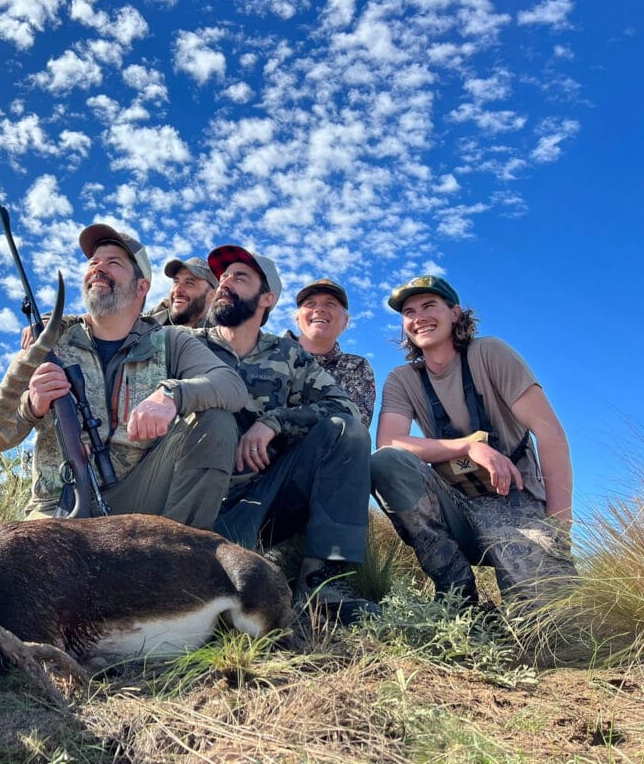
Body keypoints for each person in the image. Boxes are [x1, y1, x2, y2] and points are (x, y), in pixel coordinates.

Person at [0, 223, 247, 529]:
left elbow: (231, 386)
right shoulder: (47, 342)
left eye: (113, 263)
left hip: (137, 496)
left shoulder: (172, 341)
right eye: (93, 263)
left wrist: (171, 395)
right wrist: (30, 406)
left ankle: (179, 559)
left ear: (142, 287)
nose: (98, 269)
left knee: (217, 423)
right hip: (59, 505)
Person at [192, 245, 380, 624]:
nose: (226, 281)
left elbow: (345, 409)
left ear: (267, 298)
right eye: (224, 276)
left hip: (263, 498)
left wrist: (275, 421)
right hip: (192, 499)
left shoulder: (288, 355)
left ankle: (324, 586)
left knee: (347, 432)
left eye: (239, 276)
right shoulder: (186, 342)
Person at [370, 275, 576, 609]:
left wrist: (559, 524)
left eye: (429, 305)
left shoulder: (490, 352)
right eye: (409, 311)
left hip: (515, 503)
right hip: (454, 505)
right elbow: (389, 443)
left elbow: (550, 432)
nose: (418, 316)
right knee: (385, 463)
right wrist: (467, 446)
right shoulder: (402, 379)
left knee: (552, 620)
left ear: (455, 313)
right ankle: (458, 597)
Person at [286, 278, 376, 427]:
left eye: (330, 304)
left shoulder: (356, 366)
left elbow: (355, 424)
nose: (319, 309)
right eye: (310, 303)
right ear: (297, 318)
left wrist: (279, 420)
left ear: (345, 321)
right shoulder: (267, 350)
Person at [148, 257, 218, 327]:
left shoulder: (222, 335)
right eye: (176, 281)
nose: (177, 289)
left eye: (189, 283)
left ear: (212, 295)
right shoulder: (145, 324)